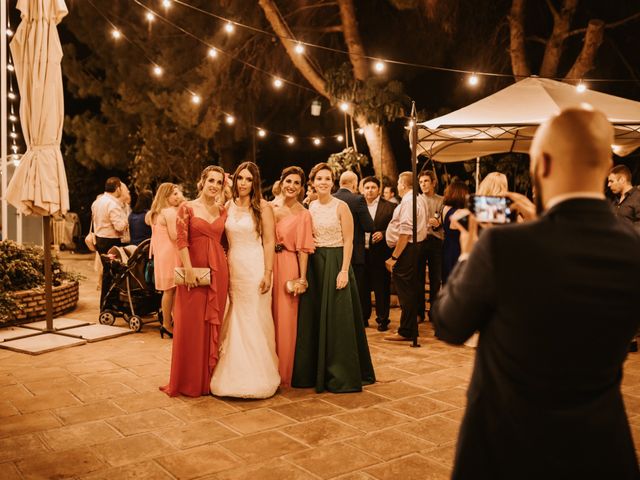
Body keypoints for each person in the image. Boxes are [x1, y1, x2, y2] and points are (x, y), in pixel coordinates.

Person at [432, 107, 640, 479]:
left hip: (506, 448)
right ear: (606, 165)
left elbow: (449, 324)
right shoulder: (632, 248)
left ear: (542, 164)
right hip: (600, 449)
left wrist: (467, 250)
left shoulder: (501, 245)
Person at [292, 162, 375, 393]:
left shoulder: (341, 207)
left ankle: (341, 374)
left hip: (337, 262)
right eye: (319, 178)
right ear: (312, 182)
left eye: (328, 178)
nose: (324, 182)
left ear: (333, 182)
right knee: (315, 318)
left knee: (338, 320)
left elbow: (349, 240)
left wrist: (343, 271)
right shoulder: (309, 207)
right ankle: (313, 372)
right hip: (316, 266)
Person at [210, 161, 280, 398]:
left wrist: (268, 272)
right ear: (235, 180)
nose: (244, 183)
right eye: (240, 178)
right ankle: (231, 371)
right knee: (235, 313)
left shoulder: (263, 206)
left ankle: (258, 375)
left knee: (253, 317)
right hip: (233, 266)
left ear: (255, 182)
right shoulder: (227, 205)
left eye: (249, 179)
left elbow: (269, 241)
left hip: (255, 266)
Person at [160, 166, 229, 397]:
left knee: (212, 324)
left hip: (219, 271)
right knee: (190, 324)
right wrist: (188, 269)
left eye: (219, 182)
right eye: (211, 180)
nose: (214, 185)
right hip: (193, 270)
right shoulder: (187, 207)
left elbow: (227, 242)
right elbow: (181, 240)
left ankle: (208, 380)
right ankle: (188, 380)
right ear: (202, 181)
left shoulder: (222, 210)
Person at [271, 166, 315, 387]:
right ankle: (265, 369)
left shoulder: (304, 213)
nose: (292, 186)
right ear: (281, 182)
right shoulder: (268, 208)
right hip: (266, 264)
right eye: (289, 181)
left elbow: (304, 249)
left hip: (289, 266)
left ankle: (283, 374)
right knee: (265, 317)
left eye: (297, 183)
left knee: (286, 321)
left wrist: (302, 278)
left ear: (302, 187)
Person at [384, 172, 428, 342]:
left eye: (398, 183)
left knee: (405, 290)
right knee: (409, 289)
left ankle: (406, 330)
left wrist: (394, 258)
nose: (397, 186)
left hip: (407, 249)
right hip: (414, 248)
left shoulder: (410, 202)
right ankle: (409, 327)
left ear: (402, 184)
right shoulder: (417, 199)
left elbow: (405, 233)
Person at [333, 170, 374, 327]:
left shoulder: (331, 199)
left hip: (334, 250)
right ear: (355, 184)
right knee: (358, 287)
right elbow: (369, 226)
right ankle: (360, 319)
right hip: (355, 252)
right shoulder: (358, 199)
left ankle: (340, 319)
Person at [146, 183, 183, 337]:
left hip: (161, 255)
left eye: (178, 193)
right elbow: (175, 236)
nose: (178, 196)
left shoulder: (153, 214)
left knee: (168, 291)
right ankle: (168, 324)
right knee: (171, 291)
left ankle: (169, 323)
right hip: (171, 254)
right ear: (166, 196)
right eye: (174, 194)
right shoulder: (169, 212)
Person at [362, 176, 395, 332]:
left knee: (381, 288)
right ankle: (363, 318)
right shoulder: (357, 205)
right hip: (361, 253)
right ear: (362, 189)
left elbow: (395, 227)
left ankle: (383, 319)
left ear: (378, 190)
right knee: (363, 287)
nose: (370, 190)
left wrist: (383, 233)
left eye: (373, 187)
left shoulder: (390, 207)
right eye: (367, 187)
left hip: (380, 253)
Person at [91, 177, 128, 305]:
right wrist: (125, 222)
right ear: (117, 188)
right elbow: (119, 226)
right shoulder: (113, 204)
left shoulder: (97, 202)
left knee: (107, 272)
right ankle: (109, 305)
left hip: (100, 240)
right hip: (111, 241)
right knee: (112, 274)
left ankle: (106, 304)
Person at [418, 169, 443, 322]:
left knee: (435, 279)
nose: (423, 184)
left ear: (433, 182)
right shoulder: (416, 199)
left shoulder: (441, 200)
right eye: (421, 182)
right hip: (420, 240)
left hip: (436, 241)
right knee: (419, 278)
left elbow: (444, 220)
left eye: (426, 181)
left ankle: (434, 313)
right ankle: (419, 312)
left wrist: (438, 222)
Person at [441, 181, 468, 284]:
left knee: (447, 279)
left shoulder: (445, 208)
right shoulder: (461, 213)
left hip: (447, 248)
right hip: (457, 250)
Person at [607, 164, 640, 233]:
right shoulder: (615, 200)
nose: (608, 185)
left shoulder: (637, 197)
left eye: (611, 181)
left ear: (622, 180)